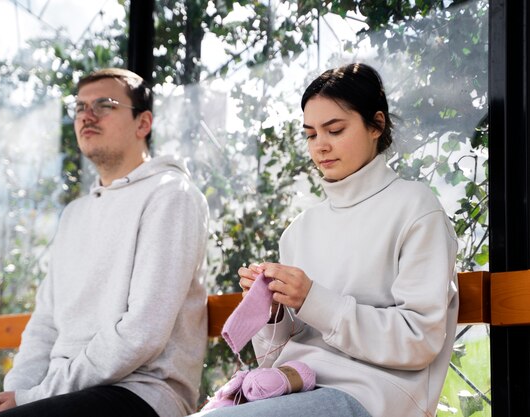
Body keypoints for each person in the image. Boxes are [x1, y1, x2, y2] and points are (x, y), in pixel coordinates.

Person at [0, 68, 210, 417]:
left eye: (104, 105)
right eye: (80, 107)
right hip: (55, 393)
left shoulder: (172, 194)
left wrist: (33, 397)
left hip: (141, 393)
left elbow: (142, 333)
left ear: (143, 124)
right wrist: (16, 394)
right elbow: (45, 325)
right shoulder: (75, 214)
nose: (87, 115)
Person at [193, 63, 459, 417]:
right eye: (310, 134)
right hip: (295, 388)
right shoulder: (299, 230)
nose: (320, 146)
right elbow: (275, 359)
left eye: (334, 130)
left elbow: (419, 340)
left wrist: (312, 299)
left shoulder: (415, 208)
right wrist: (272, 314)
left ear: (376, 125)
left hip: (373, 396)